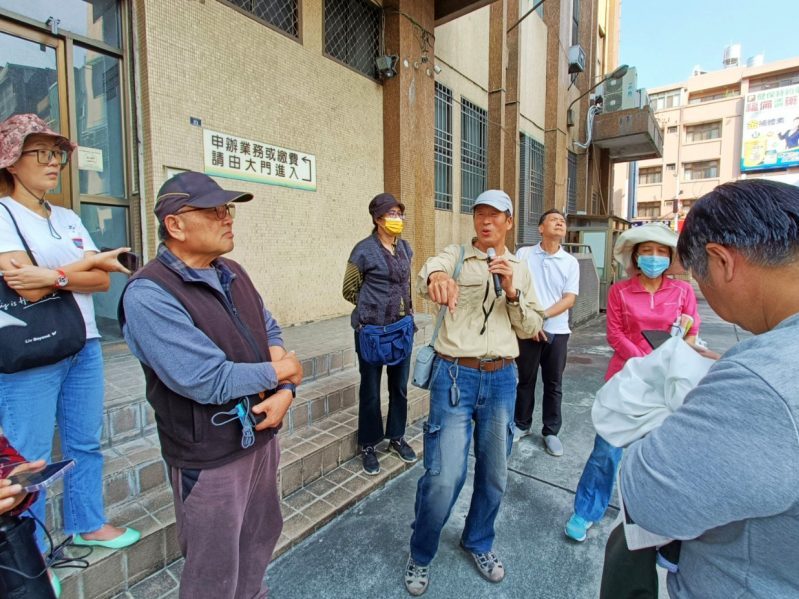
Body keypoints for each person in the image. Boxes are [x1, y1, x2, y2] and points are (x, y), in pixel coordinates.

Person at [120, 171, 303, 599]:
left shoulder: (231, 270)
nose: (227, 218)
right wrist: (280, 373)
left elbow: (268, 327)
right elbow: (205, 379)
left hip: (260, 436)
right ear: (176, 224)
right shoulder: (149, 293)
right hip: (209, 454)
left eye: (228, 209)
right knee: (213, 568)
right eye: (214, 210)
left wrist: (285, 393)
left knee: (259, 540)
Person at [618, 179, 799, 597]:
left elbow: (649, 496)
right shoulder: (763, 366)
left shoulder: (759, 382)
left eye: (700, 276)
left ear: (721, 262)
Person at [0, 114, 140, 562]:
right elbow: (26, 285)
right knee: (30, 456)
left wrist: (53, 274)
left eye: (56, 153)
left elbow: (102, 283)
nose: (53, 161)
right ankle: (31, 553)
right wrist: (75, 271)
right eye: (39, 152)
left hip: (85, 343)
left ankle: (87, 523)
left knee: (85, 441)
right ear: (11, 160)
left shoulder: (67, 217)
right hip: (29, 351)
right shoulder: (2, 215)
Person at [404, 190, 545, 596]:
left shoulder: (521, 268)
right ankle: (421, 551)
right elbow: (430, 271)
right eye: (479, 214)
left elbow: (531, 325)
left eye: (494, 215)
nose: (485, 221)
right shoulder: (455, 255)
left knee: (495, 472)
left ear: (508, 222)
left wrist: (511, 290)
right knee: (445, 474)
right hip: (454, 376)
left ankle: (478, 541)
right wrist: (436, 278)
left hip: (502, 379)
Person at [564, 222, 700, 543]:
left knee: (656, 455)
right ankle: (586, 511)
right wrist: (643, 360)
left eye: (661, 252)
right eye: (647, 252)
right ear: (636, 257)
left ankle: (649, 517)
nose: (654, 257)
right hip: (624, 381)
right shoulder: (619, 291)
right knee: (606, 450)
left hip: (665, 387)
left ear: (670, 257)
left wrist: (685, 339)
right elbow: (615, 334)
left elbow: (692, 335)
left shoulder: (683, 292)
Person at [343, 193, 417, 475]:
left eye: (400, 213)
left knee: (399, 388)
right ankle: (369, 443)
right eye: (392, 214)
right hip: (372, 332)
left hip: (401, 330)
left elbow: (406, 285)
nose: (397, 219)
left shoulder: (405, 249)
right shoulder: (362, 250)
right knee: (371, 391)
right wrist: (373, 309)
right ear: (377, 219)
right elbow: (349, 290)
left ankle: (397, 436)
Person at [514, 208, 579, 456]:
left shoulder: (570, 262)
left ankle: (551, 432)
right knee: (525, 380)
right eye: (554, 220)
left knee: (554, 383)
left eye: (562, 221)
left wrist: (541, 317)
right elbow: (516, 289)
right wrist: (529, 323)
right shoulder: (524, 254)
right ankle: (521, 425)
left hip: (558, 331)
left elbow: (569, 299)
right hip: (527, 331)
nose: (560, 223)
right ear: (541, 228)